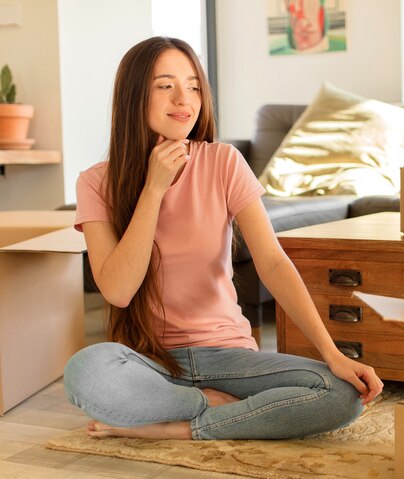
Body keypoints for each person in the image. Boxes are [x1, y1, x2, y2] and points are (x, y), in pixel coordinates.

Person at [63, 36, 383, 441]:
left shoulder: (223, 161)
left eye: (194, 86)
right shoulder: (95, 182)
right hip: (151, 362)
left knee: (340, 394)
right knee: (85, 371)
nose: (184, 99)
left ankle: (175, 427)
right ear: (133, 95)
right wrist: (154, 190)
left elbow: (272, 262)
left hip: (230, 356)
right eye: (165, 85)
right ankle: (210, 405)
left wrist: (332, 354)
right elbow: (119, 291)